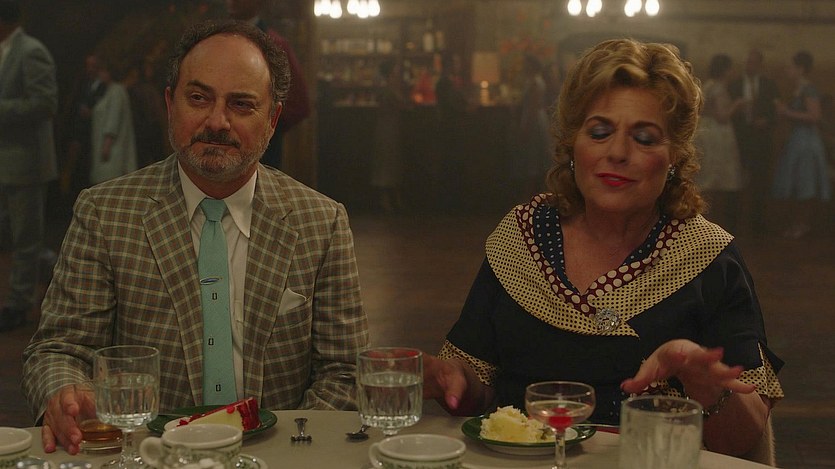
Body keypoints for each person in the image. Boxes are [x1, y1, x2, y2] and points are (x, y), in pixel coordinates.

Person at [422, 39, 783, 461]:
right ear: (573, 143)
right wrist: (451, 381)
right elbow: (479, 394)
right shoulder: (520, 237)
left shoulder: (706, 257)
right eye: (599, 132)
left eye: (644, 138)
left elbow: (742, 446)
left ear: (674, 157)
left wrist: (704, 384)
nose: (617, 152)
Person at [22, 19, 368, 455]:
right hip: (145, 455)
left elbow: (344, 371)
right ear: (171, 104)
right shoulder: (105, 213)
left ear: (272, 119)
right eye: (199, 98)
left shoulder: (320, 221)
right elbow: (58, 350)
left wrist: (288, 452)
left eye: (241, 104)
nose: (217, 121)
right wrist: (65, 392)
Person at [0, 0, 58, 332]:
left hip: (26, 162)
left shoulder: (30, 50)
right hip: (6, 160)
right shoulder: (6, 51)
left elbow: (45, 103)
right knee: (14, 235)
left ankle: (18, 305)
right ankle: (52, 265)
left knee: (24, 237)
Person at [226, 0, 310, 170]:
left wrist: (265, 124)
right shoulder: (220, 40)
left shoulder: (275, 43)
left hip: (260, 151)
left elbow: (299, 103)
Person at [771, 50, 831, 239]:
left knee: (805, 182)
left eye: (790, 67)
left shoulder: (808, 89)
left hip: (807, 142)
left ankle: (803, 224)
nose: (787, 70)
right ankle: (798, 223)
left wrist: (786, 112)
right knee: (797, 182)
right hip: (797, 139)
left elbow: (815, 116)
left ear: (801, 69)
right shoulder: (798, 89)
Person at [729, 49, 779, 234]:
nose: (749, 66)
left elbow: (776, 113)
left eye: (753, 63)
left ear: (760, 65)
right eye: (748, 62)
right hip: (740, 137)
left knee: (760, 181)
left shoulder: (769, 85)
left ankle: (757, 223)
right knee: (735, 180)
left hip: (761, 139)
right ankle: (732, 223)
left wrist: (766, 121)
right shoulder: (734, 85)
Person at [695, 53, 745, 232]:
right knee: (720, 176)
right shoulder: (719, 88)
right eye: (730, 68)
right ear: (724, 70)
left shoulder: (708, 85)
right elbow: (722, 116)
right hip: (718, 134)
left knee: (707, 175)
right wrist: (737, 104)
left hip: (706, 131)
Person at [88, 58, 138, 185]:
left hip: (111, 154)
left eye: (103, 71)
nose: (100, 74)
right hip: (106, 150)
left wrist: (107, 145)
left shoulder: (116, 91)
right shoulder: (111, 91)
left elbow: (113, 119)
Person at [371, 58, 406, 214]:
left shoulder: (386, 87)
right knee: (387, 163)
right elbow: (400, 104)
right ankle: (387, 200)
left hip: (388, 128)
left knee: (388, 163)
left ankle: (391, 199)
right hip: (388, 129)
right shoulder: (388, 88)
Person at [514, 54, 551, 200]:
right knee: (534, 157)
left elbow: (533, 107)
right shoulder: (533, 80)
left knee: (533, 156)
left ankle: (530, 196)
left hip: (534, 120)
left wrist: (526, 127)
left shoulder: (535, 82)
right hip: (535, 118)